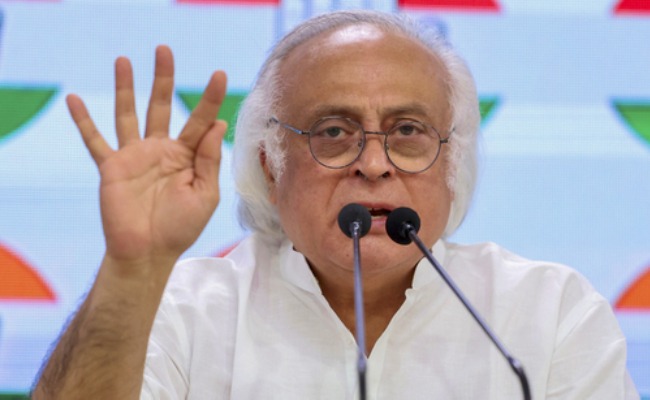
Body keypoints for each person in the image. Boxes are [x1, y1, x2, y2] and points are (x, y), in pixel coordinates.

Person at [33, 10, 638, 399]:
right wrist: (132, 271)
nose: (373, 164)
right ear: (270, 166)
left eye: (407, 131)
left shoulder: (548, 313)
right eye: (333, 132)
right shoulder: (183, 312)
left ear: (452, 165)